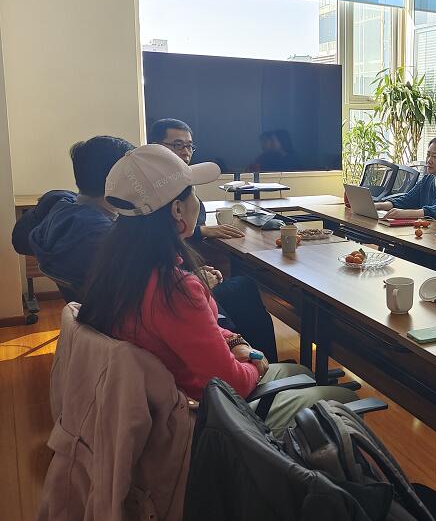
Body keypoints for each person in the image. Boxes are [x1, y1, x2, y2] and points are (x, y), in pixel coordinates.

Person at [77, 144, 357, 434]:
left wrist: (235, 341)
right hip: (204, 415)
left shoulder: (119, 269)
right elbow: (232, 383)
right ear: (177, 210)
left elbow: (192, 332)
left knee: (298, 372)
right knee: (342, 399)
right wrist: (256, 365)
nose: (197, 201)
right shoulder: (174, 290)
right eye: (193, 193)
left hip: (169, 399)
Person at [148, 117, 278, 362]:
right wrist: (193, 278)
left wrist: (192, 271)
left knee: (242, 286)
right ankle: (265, 366)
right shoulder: (157, 195)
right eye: (177, 145)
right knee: (243, 289)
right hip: (178, 294)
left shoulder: (157, 193)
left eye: (189, 146)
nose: (185, 152)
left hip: (179, 282)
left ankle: (263, 360)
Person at [27, 136, 135, 299]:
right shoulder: (104, 238)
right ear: (119, 179)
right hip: (117, 311)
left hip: (88, 309)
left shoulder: (61, 211)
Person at [374, 136, 436, 228]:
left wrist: (403, 213)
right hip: (432, 233)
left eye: (435, 157)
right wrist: (379, 206)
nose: (429, 160)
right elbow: (407, 200)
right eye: (428, 155)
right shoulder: (427, 180)